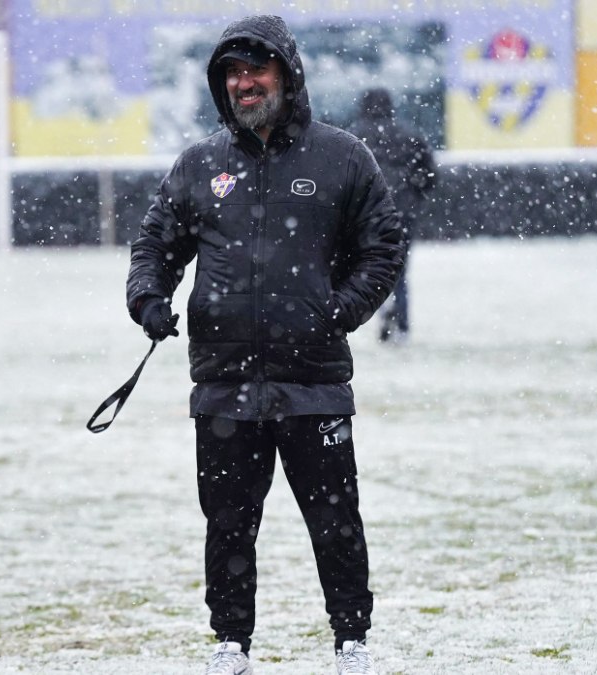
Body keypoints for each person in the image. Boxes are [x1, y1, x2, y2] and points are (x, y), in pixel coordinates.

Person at [125, 14, 403, 675]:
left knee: (335, 522)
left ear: (287, 74)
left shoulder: (342, 157)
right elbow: (155, 245)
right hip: (223, 385)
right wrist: (148, 298)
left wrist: (339, 310)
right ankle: (231, 644)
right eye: (232, 73)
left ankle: (351, 641)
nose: (244, 83)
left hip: (314, 382)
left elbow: (383, 243)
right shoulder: (200, 165)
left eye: (257, 69)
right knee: (227, 524)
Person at [348, 87, 436, 345]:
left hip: (366, 214)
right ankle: (403, 328)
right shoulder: (411, 135)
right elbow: (429, 174)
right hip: (402, 213)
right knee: (399, 269)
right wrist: (414, 196)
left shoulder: (353, 136)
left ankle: (381, 305)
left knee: (368, 267)